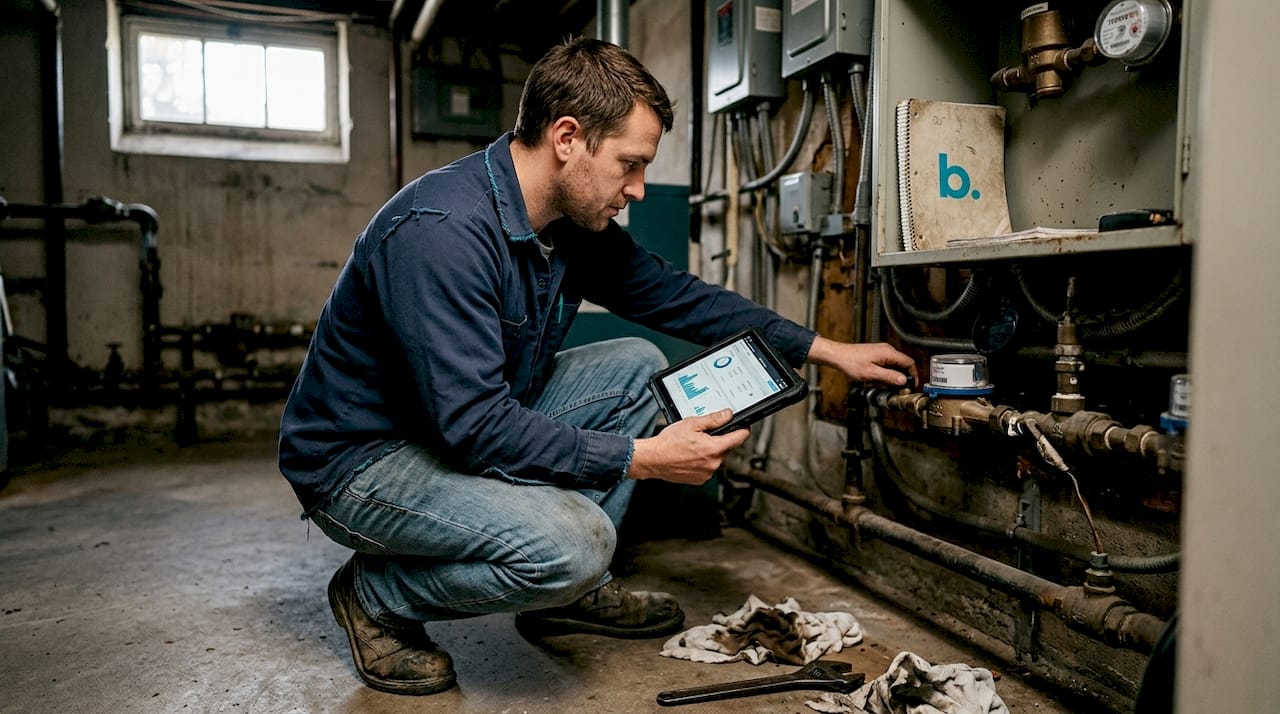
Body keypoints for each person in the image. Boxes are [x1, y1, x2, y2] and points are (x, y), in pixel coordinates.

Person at [278, 36, 916, 697]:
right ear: (566, 137)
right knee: (574, 545)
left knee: (639, 365)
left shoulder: (568, 221)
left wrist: (825, 349)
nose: (636, 190)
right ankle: (377, 596)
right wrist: (641, 456)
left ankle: (558, 597)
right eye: (630, 165)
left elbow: (674, 296)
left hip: (447, 423)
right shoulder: (440, 231)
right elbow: (475, 426)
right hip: (362, 461)